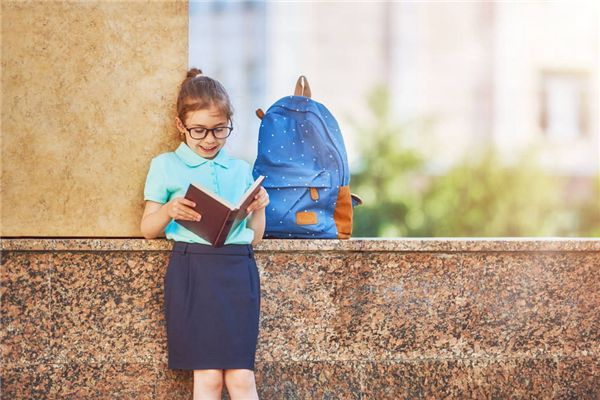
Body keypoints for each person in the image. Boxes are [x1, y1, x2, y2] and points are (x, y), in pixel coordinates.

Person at [140, 68, 268, 400]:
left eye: (219, 130)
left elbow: (254, 238)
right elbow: (147, 229)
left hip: (238, 272)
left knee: (241, 377)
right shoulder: (165, 165)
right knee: (208, 377)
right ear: (180, 125)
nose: (209, 140)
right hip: (193, 272)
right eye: (199, 130)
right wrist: (169, 210)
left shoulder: (240, 168)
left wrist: (260, 208)